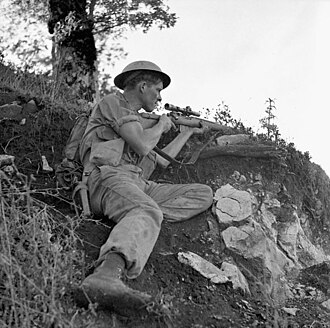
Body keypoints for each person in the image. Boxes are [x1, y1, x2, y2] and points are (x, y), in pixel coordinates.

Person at [78, 60, 213, 314]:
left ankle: (139, 218)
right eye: (157, 90)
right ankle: (106, 275)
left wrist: (186, 132)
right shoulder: (113, 103)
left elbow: (160, 159)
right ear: (142, 86)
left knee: (202, 194)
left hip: (136, 182)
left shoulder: (140, 121)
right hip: (107, 178)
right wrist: (161, 125)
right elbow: (141, 145)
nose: (160, 97)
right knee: (147, 210)